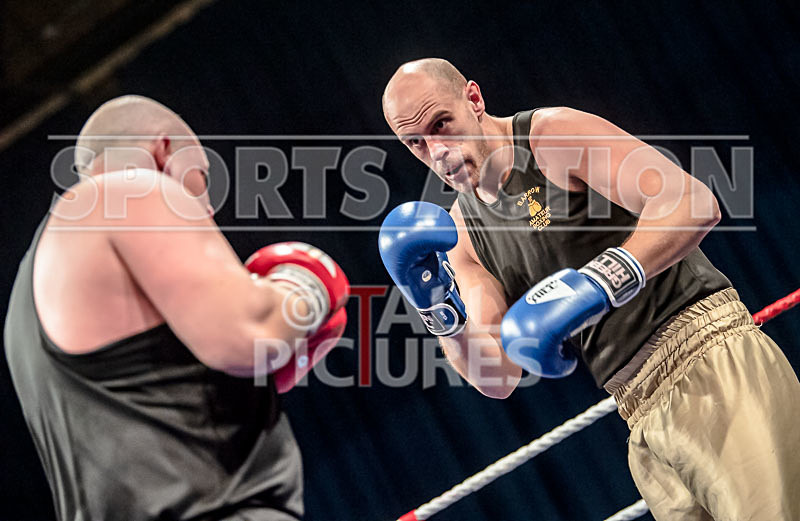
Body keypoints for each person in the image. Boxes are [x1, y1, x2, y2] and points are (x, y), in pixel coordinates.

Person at [379, 58, 800, 520]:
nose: (436, 149)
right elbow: (497, 375)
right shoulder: (460, 235)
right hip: (637, 415)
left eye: (442, 123)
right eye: (415, 142)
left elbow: (692, 200)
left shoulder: (550, 138)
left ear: (474, 100)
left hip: (711, 363)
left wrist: (601, 281)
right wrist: (436, 307)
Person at [4, 95, 349, 521]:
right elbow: (249, 336)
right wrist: (307, 283)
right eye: (202, 176)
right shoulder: (133, 189)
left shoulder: (31, 286)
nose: (206, 206)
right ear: (164, 149)